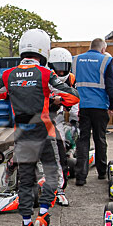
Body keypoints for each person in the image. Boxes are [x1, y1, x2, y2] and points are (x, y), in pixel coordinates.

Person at [0, 29, 79, 226]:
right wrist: (57, 98)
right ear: (44, 50)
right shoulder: (46, 74)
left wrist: (12, 91)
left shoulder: (8, 75)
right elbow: (73, 97)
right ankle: (43, 215)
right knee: (55, 176)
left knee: (25, 182)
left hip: (22, 137)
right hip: (44, 133)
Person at [72, 38, 113, 186]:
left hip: (82, 106)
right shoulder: (105, 60)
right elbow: (110, 84)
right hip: (100, 106)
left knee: (83, 140)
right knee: (100, 139)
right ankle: (102, 172)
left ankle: (80, 177)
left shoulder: (76, 60)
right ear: (103, 49)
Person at [47, 47, 76, 206]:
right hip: (39, 117)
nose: (61, 70)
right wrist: (53, 100)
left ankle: (60, 189)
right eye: (57, 66)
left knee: (59, 150)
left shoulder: (71, 79)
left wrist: (74, 120)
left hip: (56, 117)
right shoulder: (44, 77)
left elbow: (75, 99)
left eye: (63, 66)